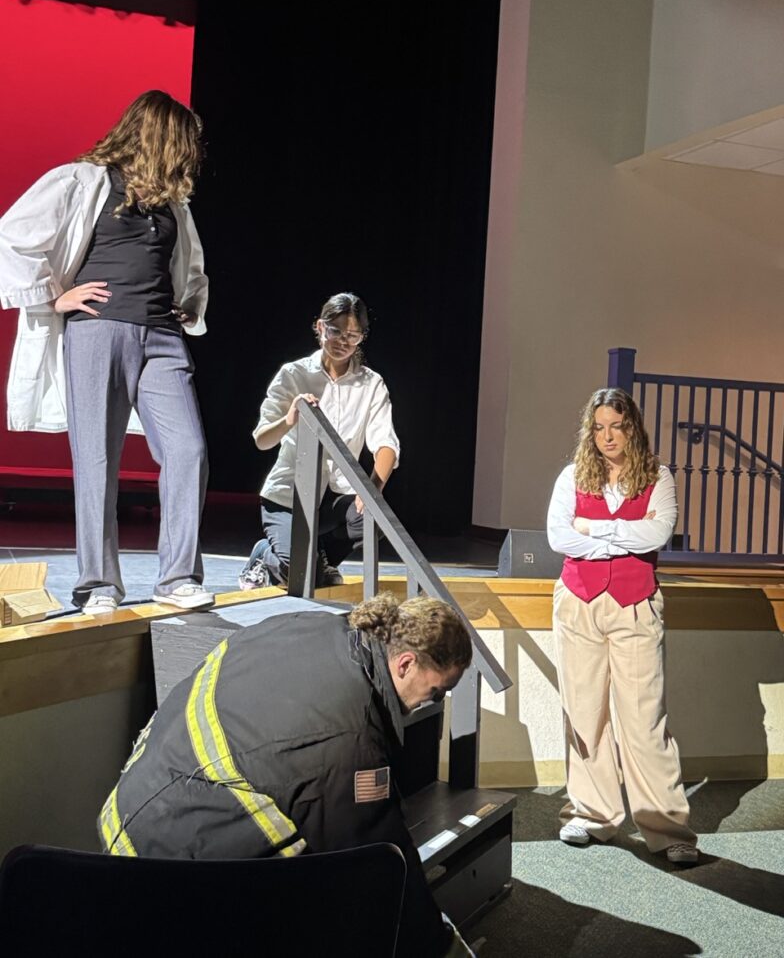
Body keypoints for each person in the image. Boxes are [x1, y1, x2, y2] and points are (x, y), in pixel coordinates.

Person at [99, 592, 475, 957]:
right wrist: (440, 945)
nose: (433, 701)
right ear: (406, 664)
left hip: (131, 811)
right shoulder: (347, 737)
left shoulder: (312, 627)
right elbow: (381, 864)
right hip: (169, 869)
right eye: (437, 691)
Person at [0, 90, 213, 614]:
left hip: (161, 336)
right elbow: (12, 235)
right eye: (183, 141)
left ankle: (178, 577)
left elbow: (188, 266)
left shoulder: (172, 203)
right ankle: (97, 584)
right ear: (159, 137)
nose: (190, 153)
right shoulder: (83, 181)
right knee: (97, 458)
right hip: (99, 330)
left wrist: (186, 305)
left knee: (188, 450)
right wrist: (53, 297)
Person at [546, 387, 699, 865]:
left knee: (644, 718)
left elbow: (657, 533)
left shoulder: (658, 476)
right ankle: (592, 814)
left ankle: (667, 828)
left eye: (616, 426)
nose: (607, 436)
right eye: (599, 428)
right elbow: (559, 537)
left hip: (636, 605)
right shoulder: (573, 476)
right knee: (585, 711)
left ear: (632, 428)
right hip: (579, 602)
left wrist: (594, 529)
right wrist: (622, 538)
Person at [239, 292, 400, 590]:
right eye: (336, 331)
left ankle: (319, 558)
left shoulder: (371, 382)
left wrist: (373, 490)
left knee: (373, 519)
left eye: (352, 336)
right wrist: (290, 418)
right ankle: (265, 555)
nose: (343, 341)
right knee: (302, 574)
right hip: (289, 497)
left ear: (361, 338)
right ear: (320, 327)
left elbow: (386, 442)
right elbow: (262, 439)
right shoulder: (294, 374)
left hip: (335, 498)